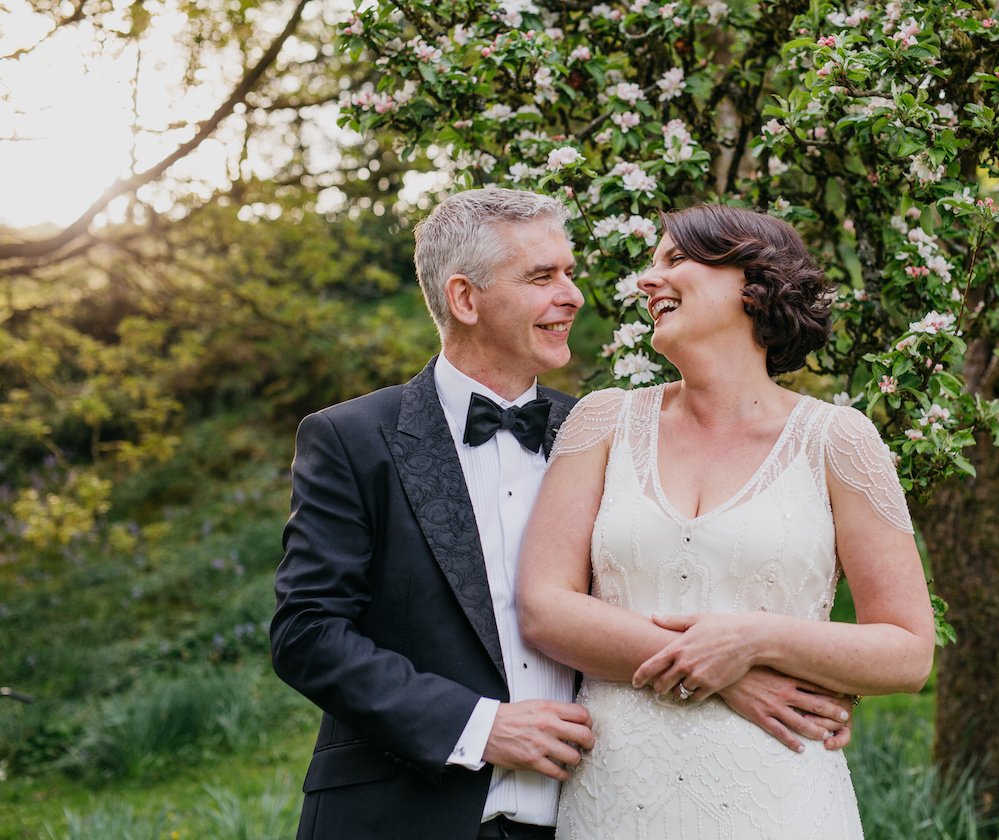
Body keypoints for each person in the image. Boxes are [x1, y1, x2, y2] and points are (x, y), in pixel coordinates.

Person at [271, 189, 856, 840]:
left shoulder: (609, 433)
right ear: (465, 299)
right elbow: (307, 632)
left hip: (589, 812)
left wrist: (727, 674)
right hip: (403, 813)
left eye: (570, 273)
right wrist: (479, 727)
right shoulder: (353, 439)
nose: (573, 296)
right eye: (542, 277)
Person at [517, 204, 936, 839]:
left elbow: (907, 651)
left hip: (779, 797)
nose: (646, 280)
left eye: (676, 259)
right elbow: (545, 608)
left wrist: (755, 640)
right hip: (617, 798)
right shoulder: (603, 421)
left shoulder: (838, 440)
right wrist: (725, 675)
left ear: (754, 284)